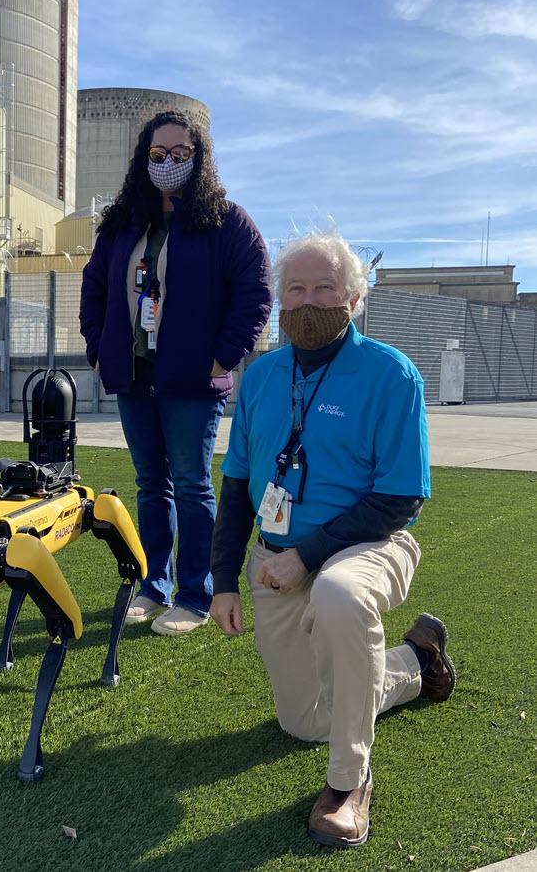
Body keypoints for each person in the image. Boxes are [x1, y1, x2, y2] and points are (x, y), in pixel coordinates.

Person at [210, 230, 456, 848]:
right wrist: (220, 582)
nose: (309, 300)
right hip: (275, 560)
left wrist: (307, 557)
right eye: (296, 289)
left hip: (369, 547)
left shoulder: (391, 374)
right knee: (304, 722)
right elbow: (237, 483)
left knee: (340, 596)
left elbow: (401, 497)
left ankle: (351, 782)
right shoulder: (262, 376)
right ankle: (415, 663)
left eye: (326, 288)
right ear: (279, 301)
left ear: (353, 298)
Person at [80, 110, 272, 636]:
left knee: (190, 485)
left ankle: (194, 593)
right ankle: (153, 585)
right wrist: (98, 348)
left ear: (199, 158)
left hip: (191, 382)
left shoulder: (227, 221)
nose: (167, 164)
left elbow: (256, 293)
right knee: (151, 485)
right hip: (134, 377)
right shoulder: (122, 224)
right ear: (144, 159)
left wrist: (221, 356)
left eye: (180, 156)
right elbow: (94, 287)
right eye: (158, 155)